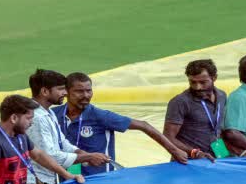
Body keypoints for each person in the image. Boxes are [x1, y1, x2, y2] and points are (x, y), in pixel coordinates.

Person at [53, 72, 188, 176]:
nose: (86, 95)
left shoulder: (100, 116)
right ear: (66, 92)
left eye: (89, 90)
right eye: (79, 91)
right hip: (66, 177)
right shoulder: (54, 114)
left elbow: (144, 125)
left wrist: (174, 150)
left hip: (99, 179)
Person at [0, 95, 85, 184]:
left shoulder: (20, 136)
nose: (31, 122)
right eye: (28, 118)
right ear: (14, 118)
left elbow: (38, 155)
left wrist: (67, 175)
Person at [26, 69, 111, 184]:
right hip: (36, 182)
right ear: (45, 91)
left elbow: (62, 142)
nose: (65, 93)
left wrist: (85, 155)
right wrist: (86, 157)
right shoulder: (36, 118)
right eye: (60, 89)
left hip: (48, 179)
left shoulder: (49, 113)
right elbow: (49, 156)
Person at [163, 59, 226, 160]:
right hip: (189, 163)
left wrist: (223, 156)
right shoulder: (180, 102)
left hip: (216, 159)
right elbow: (167, 137)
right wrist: (194, 152)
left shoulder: (222, 96)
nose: (197, 87)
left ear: (214, 78)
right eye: (193, 82)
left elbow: (217, 130)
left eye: (203, 82)